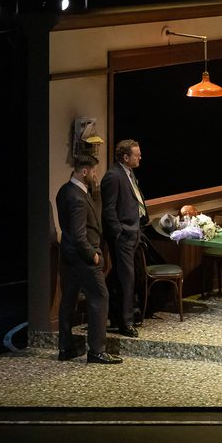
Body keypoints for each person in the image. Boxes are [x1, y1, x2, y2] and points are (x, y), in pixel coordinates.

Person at [56, 155, 123, 364]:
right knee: (100, 298)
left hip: (68, 255)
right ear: (84, 172)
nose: (96, 176)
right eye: (94, 171)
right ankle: (97, 351)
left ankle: (66, 347)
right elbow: (78, 234)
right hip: (82, 257)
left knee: (69, 299)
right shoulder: (76, 197)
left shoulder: (64, 190)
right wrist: (92, 255)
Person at [100, 139, 143, 338]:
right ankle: (126, 322)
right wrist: (119, 232)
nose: (140, 157)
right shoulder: (113, 176)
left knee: (121, 276)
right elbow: (108, 209)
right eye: (136, 155)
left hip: (134, 232)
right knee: (127, 278)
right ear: (126, 157)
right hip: (123, 234)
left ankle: (116, 315)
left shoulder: (129, 173)